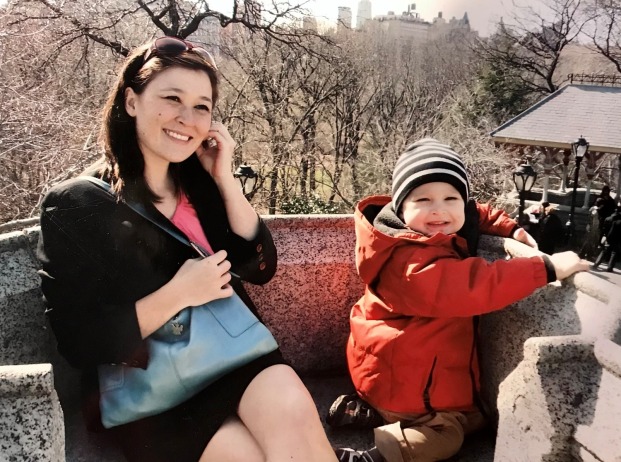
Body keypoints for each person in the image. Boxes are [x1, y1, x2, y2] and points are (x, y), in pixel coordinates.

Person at [37, 37, 339, 462]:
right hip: (157, 400)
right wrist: (180, 293)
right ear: (131, 101)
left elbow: (260, 266)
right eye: (172, 98)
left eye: (202, 106)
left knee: (294, 415)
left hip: (233, 358)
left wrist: (225, 179)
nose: (187, 117)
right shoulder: (78, 204)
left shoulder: (197, 183)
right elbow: (81, 343)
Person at [332, 139, 590, 462]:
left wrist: (511, 228)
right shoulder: (411, 263)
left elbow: (473, 211)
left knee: (477, 416)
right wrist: (547, 267)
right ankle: (373, 455)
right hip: (400, 382)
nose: (439, 209)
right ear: (401, 208)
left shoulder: (414, 230)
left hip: (383, 370)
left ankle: (370, 413)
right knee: (448, 436)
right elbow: (479, 284)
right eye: (423, 199)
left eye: (449, 197)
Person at [593, 205, 621, 272]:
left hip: (608, 237)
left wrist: (604, 236)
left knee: (604, 251)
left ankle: (596, 263)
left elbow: (604, 228)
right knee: (614, 252)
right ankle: (610, 267)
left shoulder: (608, 218)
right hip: (617, 238)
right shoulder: (619, 221)